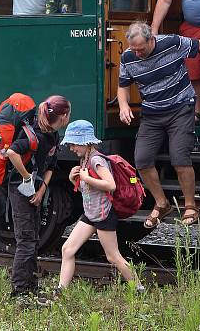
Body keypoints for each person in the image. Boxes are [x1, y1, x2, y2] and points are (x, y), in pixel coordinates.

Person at [118, 22, 200, 228]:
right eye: (134, 49)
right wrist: (123, 105)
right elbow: (123, 86)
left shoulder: (171, 43)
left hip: (180, 108)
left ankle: (191, 206)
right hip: (152, 114)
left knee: (180, 158)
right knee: (142, 160)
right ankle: (162, 204)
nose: (137, 54)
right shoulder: (127, 57)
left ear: (151, 39)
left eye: (141, 49)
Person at [58, 120, 143, 293]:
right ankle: (61, 291)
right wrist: (73, 178)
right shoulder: (85, 159)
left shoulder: (96, 160)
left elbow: (110, 185)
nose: (71, 148)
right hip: (91, 213)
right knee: (67, 249)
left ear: (84, 142)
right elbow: (87, 189)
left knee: (113, 257)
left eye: (73, 144)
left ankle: (138, 288)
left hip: (104, 214)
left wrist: (87, 178)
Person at [3, 95, 71, 297]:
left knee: (33, 239)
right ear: (64, 116)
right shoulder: (35, 135)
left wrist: (41, 189)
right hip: (19, 188)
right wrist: (27, 178)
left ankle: (30, 285)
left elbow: (50, 165)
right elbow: (12, 153)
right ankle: (20, 290)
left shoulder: (53, 135)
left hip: (35, 190)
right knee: (25, 239)